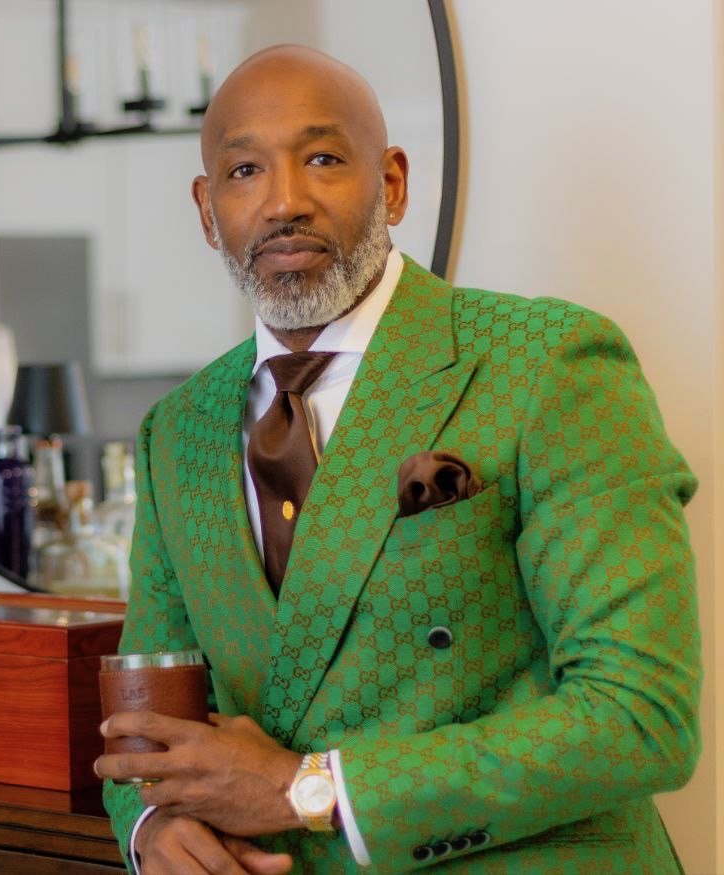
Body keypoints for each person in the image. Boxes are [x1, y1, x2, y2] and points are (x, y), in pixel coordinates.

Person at [94, 44, 700, 874]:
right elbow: (148, 721)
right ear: (207, 211)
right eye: (244, 170)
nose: (284, 202)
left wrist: (309, 789)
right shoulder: (178, 430)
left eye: (321, 158)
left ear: (394, 183)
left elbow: (641, 716)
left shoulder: (548, 362)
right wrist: (151, 828)